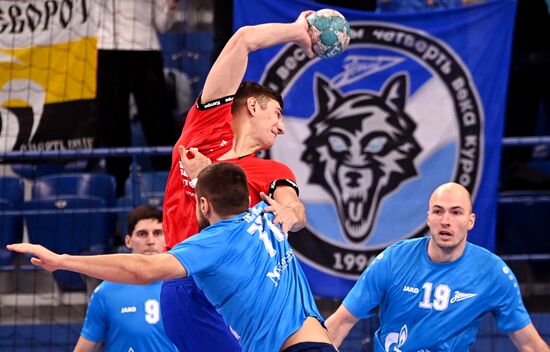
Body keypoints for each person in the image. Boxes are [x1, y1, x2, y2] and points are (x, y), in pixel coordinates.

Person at [7, 163, 337, 352]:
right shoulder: (269, 213)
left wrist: (62, 260)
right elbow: (296, 209)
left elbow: (144, 270)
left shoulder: (212, 242)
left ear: (204, 205)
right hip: (316, 342)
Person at [160, 11, 316, 351]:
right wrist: (297, 31)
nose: (282, 127)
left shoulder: (273, 172)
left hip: (239, 285)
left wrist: (291, 215)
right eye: (277, 113)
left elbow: (294, 206)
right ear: (252, 107)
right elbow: (244, 38)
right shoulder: (207, 126)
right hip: (186, 279)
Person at [325, 182, 550, 351]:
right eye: (438, 211)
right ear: (428, 218)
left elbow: (529, 344)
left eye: (456, 212)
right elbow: (341, 321)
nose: (446, 220)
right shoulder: (394, 259)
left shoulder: (493, 273)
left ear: (470, 221)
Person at [96, 0, 178, 195]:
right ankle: (117, 192)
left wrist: (171, 5)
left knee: (158, 124)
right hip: (107, 48)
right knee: (112, 125)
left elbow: (163, 23)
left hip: (146, 49)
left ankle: (169, 189)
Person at [74, 205, 177, 352]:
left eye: (158, 233)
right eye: (142, 234)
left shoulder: (185, 287)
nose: (151, 241)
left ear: (167, 238)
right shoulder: (105, 292)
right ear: (128, 241)